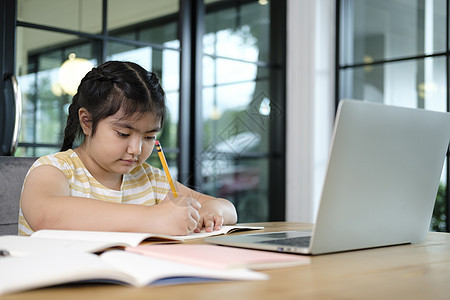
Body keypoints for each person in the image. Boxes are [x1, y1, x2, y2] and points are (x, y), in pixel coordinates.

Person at [18, 61, 237, 236]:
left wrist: (211, 212)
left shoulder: (151, 180)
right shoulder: (54, 169)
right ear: (87, 121)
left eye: (149, 136)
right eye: (123, 134)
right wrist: (154, 218)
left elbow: (228, 208)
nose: (136, 149)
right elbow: (45, 215)